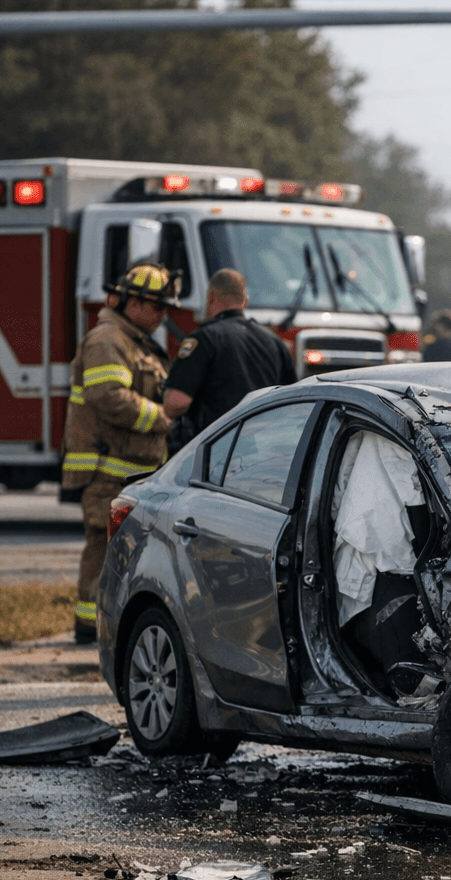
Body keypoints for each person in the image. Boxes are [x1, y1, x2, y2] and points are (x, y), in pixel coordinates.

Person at [60, 263, 178, 644]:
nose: (163, 315)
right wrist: (159, 416)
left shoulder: (135, 342)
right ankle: (88, 628)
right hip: (107, 469)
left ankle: (106, 626)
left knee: (123, 553)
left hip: (133, 471)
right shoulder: (108, 340)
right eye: (157, 306)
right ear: (134, 303)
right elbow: (108, 396)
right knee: (103, 548)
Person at [164, 269, 296, 438]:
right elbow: (290, 404)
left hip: (216, 445)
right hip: (262, 446)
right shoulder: (275, 342)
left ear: (211, 297)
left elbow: (176, 403)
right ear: (245, 301)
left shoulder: (204, 339)